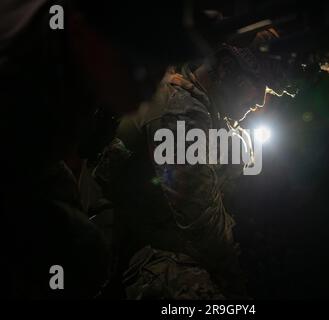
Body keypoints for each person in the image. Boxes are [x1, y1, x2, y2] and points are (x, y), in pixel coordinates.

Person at [0, 0, 196, 298]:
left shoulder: (76, 70)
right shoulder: (16, 62)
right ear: (84, 29)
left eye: (160, 65)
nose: (149, 88)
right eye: (140, 63)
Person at [113, 30, 283, 299]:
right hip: (135, 250)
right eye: (257, 83)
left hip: (171, 238)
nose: (261, 100)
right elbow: (201, 223)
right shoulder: (180, 113)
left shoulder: (216, 115)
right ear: (226, 68)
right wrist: (239, 272)